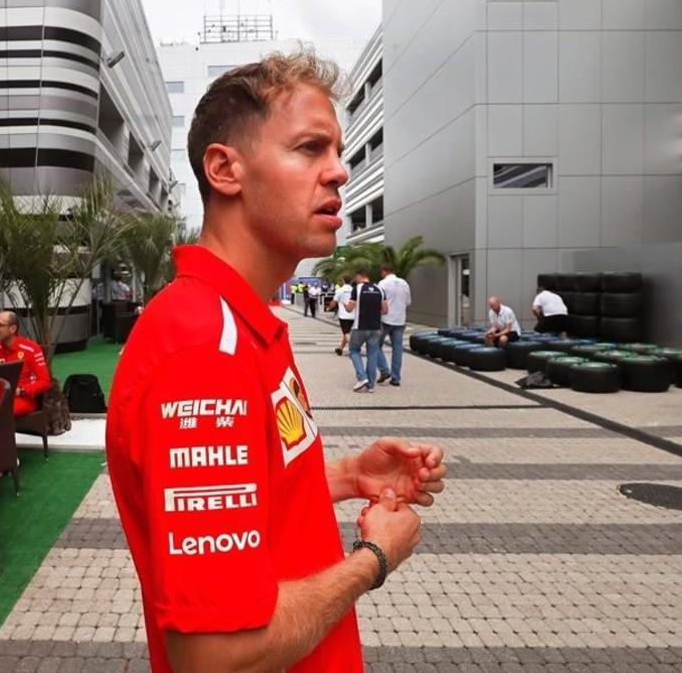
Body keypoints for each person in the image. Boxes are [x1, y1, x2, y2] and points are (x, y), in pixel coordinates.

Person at [106, 52, 446, 672]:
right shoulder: (203, 348)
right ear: (225, 169)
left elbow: (248, 503)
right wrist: (373, 559)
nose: (339, 172)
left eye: (338, 152)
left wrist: (348, 476)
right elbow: (215, 656)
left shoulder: (244, 324)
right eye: (311, 148)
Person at [0, 311, 51, 417]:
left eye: (0, 325)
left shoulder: (31, 349)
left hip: (23, 399)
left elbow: (44, 382)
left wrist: (21, 391)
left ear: (13, 329)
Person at [347, 268, 388, 392]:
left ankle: (362, 377)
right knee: (373, 354)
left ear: (360, 276)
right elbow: (385, 310)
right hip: (375, 328)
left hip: (360, 327)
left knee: (353, 350)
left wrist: (345, 305)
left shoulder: (357, 289)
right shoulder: (379, 289)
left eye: (356, 277)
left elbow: (349, 308)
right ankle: (371, 385)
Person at [375, 264, 410, 387]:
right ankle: (396, 378)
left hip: (385, 320)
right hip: (400, 320)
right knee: (397, 349)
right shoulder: (404, 283)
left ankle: (384, 370)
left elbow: (378, 302)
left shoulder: (382, 284)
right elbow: (408, 302)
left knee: (375, 345)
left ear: (384, 272)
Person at [333, 275, 355, 356]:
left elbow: (334, 301)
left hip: (344, 316)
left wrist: (329, 308)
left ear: (343, 281)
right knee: (347, 333)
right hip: (353, 315)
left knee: (346, 333)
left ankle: (353, 349)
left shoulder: (340, 290)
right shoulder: (354, 290)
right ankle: (340, 349)